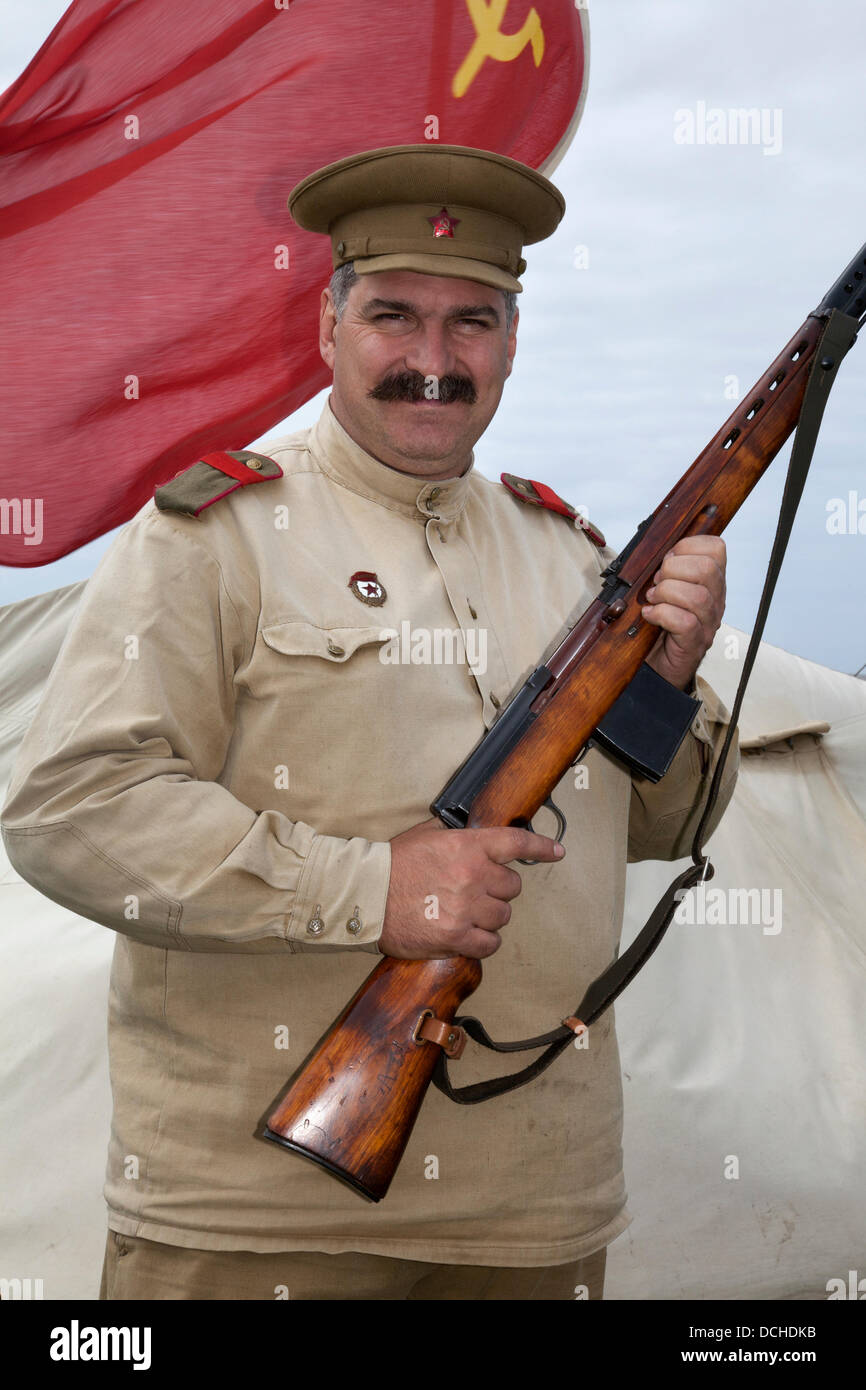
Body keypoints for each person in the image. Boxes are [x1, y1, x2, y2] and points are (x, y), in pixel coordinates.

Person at [1, 144, 737, 1301]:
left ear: (510, 341)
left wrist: (671, 677)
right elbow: (70, 809)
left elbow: (659, 824)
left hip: (535, 1217)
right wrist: (367, 890)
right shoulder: (213, 534)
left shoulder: (576, 559)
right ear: (328, 330)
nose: (433, 362)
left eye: (473, 322)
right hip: (252, 1217)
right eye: (394, 315)